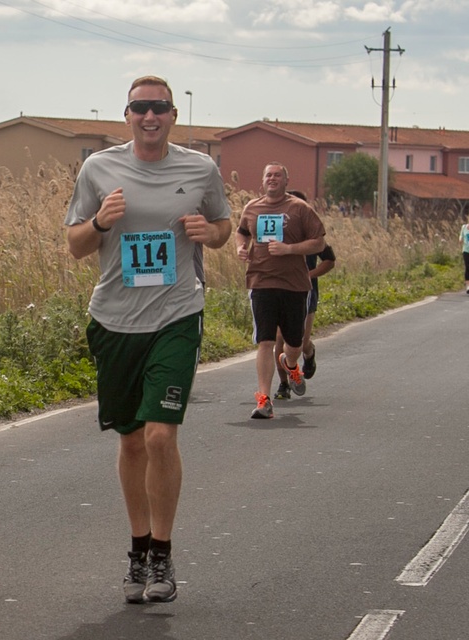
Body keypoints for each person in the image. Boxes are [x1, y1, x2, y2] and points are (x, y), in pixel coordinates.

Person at [65, 76, 231, 604]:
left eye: (159, 107)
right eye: (141, 108)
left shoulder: (199, 168)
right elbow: (75, 244)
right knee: (132, 438)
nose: (150, 116)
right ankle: (137, 551)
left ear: (173, 115)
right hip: (115, 319)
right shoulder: (99, 168)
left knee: (161, 435)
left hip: (176, 314)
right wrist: (99, 222)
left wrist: (213, 234)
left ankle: (162, 553)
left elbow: (224, 225)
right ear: (128, 114)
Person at [236, 164, 325, 419]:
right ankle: (264, 399)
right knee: (265, 341)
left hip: (294, 284)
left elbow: (319, 242)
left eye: (277, 175)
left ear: (287, 180)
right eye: (268, 175)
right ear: (262, 181)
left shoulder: (299, 208)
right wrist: (241, 248)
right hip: (261, 281)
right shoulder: (252, 207)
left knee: (294, 343)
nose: (272, 179)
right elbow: (241, 233)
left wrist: (289, 249)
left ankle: (291, 363)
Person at [274, 191, 336, 398]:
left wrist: (309, 275)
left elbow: (329, 260)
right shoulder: (274, 230)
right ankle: (283, 384)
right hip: (278, 288)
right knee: (279, 339)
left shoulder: (311, 234)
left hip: (305, 291)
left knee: (300, 341)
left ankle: (309, 354)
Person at [460, 218, 469, 295]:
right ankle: (468, 286)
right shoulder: (463, 227)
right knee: (467, 267)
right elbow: (461, 236)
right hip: (465, 250)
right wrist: (460, 239)